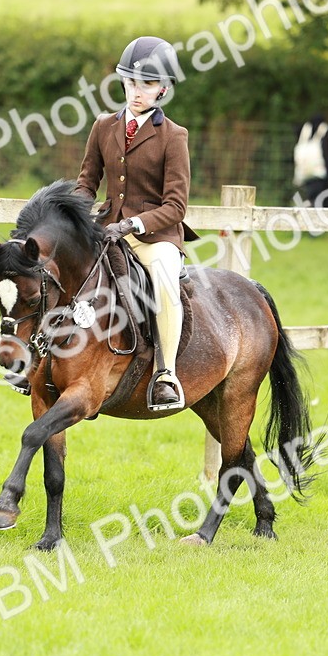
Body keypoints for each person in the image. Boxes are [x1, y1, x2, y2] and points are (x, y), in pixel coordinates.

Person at [77, 35, 197, 411]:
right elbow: (86, 183)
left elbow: (176, 205)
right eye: (130, 83)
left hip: (155, 236)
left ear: (163, 89)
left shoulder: (174, 137)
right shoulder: (102, 126)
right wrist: (75, 217)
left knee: (162, 279)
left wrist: (132, 226)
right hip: (106, 230)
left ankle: (166, 374)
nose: (136, 92)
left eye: (146, 85)